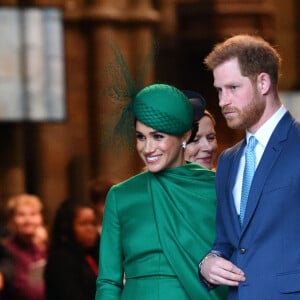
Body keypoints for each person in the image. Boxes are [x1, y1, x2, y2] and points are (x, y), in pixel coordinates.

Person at [96, 83, 227, 299]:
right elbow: (108, 281)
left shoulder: (216, 188)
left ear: (185, 135)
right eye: (140, 137)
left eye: (158, 136)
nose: (147, 148)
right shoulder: (121, 196)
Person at [199, 34, 300, 299]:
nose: (222, 101)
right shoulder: (228, 160)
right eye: (219, 90)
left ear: (263, 82)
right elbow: (226, 241)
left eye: (233, 87)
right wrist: (208, 263)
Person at [44, 200, 100, 300]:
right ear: (67, 227)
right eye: (84, 224)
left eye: (93, 223)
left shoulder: (93, 253)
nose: (90, 229)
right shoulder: (60, 259)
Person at [4, 193, 47, 300]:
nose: (28, 220)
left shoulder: (43, 250)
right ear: (12, 220)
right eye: (21, 215)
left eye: (33, 214)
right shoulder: (6, 252)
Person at [183, 90, 218, 170]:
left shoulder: (226, 181)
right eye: (194, 140)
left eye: (211, 138)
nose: (208, 148)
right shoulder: (150, 182)